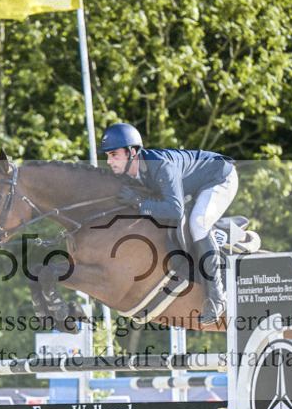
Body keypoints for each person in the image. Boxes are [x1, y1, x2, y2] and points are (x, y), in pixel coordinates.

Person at [100, 122, 238, 325]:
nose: (109, 161)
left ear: (131, 152)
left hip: (219, 177)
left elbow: (175, 209)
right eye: (107, 155)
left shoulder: (161, 166)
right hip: (195, 183)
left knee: (198, 223)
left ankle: (217, 297)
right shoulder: (134, 173)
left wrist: (138, 203)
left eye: (114, 154)